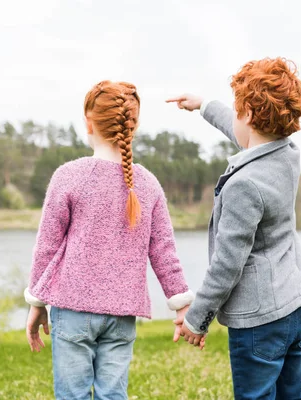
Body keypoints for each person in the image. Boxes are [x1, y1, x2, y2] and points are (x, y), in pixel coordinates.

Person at [24, 80, 195, 400]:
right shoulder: (148, 184)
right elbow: (164, 251)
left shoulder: (69, 175)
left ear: (89, 123)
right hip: (121, 314)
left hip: (72, 308)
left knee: (72, 396)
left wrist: (37, 301)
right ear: (134, 125)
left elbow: (46, 246)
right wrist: (181, 304)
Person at [167, 57, 301, 400]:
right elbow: (245, 135)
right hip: (295, 306)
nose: (233, 117)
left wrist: (196, 320)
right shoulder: (287, 155)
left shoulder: (244, 185)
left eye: (236, 110)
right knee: (293, 395)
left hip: (260, 322)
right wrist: (204, 105)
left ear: (248, 114)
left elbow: (227, 264)